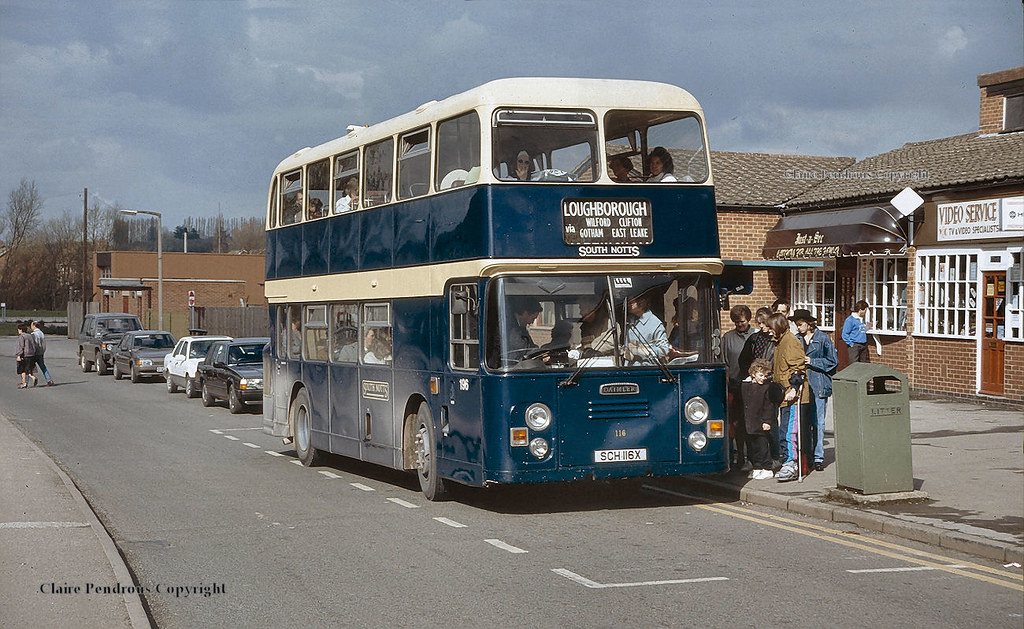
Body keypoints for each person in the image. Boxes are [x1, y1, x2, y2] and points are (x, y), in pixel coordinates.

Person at [791, 309, 838, 471]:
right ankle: (807, 456)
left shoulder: (823, 339)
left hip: (819, 386)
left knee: (818, 423)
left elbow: (833, 362)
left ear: (809, 323)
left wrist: (812, 361)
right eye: (796, 325)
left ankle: (818, 457)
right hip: (802, 387)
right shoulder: (796, 339)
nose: (798, 328)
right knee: (803, 423)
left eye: (800, 324)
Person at [767, 312, 810, 482]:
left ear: (778, 327)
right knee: (783, 430)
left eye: (771, 328)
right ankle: (787, 461)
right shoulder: (779, 342)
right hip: (783, 395)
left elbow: (799, 369)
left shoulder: (790, 342)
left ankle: (792, 463)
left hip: (793, 395)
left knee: (789, 431)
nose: (769, 331)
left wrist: (793, 388)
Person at [738, 307, 779, 462]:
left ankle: (774, 456)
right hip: (755, 382)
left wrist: (769, 376)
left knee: (770, 420)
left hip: (769, 382)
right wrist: (751, 375)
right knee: (753, 424)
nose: (761, 326)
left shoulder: (775, 340)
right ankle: (756, 459)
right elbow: (743, 359)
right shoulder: (754, 339)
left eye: (764, 323)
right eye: (759, 323)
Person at [722, 305, 754, 469]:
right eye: (736, 322)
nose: (739, 325)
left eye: (742, 321)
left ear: (748, 319)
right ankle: (738, 454)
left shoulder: (755, 335)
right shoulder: (727, 338)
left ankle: (751, 456)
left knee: (750, 423)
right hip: (734, 385)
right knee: (735, 423)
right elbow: (724, 361)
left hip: (751, 385)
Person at [742, 358, 783, 480]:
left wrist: (767, 421)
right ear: (753, 374)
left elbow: (769, 406)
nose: (763, 378)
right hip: (749, 422)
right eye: (761, 375)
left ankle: (767, 467)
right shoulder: (746, 386)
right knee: (753, 447)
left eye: (766, 376)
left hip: (761, 422)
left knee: (763, 446)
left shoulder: (767, 388)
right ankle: (757, 467)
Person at [624, 294, 670, 364]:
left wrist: (645, 351)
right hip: (629, 370)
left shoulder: (655, 323)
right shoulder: (629, 321)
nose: (628, 304)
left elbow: (665, 350)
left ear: (642, 302)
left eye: (631, 302)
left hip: (647, 370)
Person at [30, 320, 55, 386]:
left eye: (31, 325)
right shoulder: (41, 333)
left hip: (35, 353)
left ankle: (27, 381)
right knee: (43, 367)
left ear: (34, 326)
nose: (31, 327)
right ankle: (49, 380)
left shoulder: (33, 334)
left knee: (29, 367)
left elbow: (34, 344)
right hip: (41, 352)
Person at [16, 323, 38, 388]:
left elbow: (21, 346)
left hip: (24, 355)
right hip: (31, 354)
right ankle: (31, 378)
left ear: (20, 330)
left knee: (22, 369)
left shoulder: (21, 337)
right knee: (28, 368)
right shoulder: (30, 336)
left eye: (18, 329)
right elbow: (34, 345)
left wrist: (19, 355)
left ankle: (24, 382)